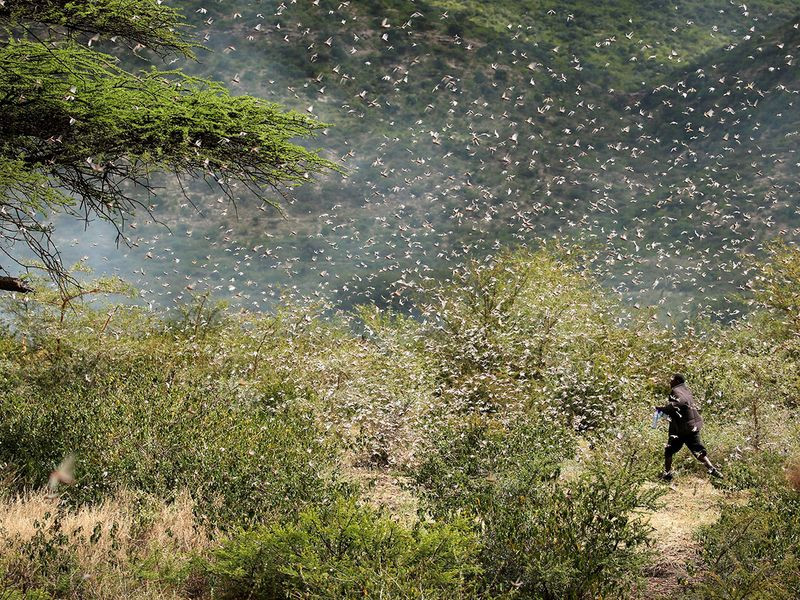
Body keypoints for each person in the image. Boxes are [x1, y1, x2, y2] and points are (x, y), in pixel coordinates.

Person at [655, 373, 723, 481]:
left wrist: (662, 409)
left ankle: (667, 474)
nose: (670, 382)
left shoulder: (676, 391)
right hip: (692, 426)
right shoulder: (686, 390)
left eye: (672, 380)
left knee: (669, 450)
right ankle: (712, 469)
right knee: (697, 450)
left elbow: (679, 403)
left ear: (677, 381)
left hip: (681, 429)